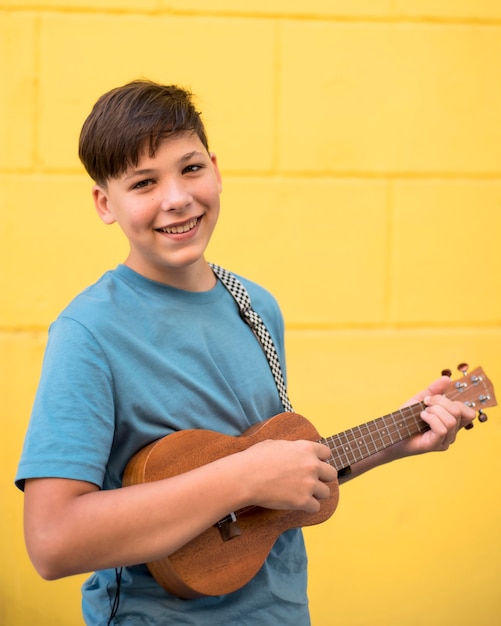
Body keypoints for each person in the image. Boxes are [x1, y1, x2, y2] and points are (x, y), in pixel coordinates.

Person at [16, 79, 476, 625]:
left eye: (190, 169)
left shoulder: (256, 307)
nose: (177, 198)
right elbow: (51, 542)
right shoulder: (90, 331)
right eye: (144, 182)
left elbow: (270, 489)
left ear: (215, 167)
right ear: (104, 203)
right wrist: (244, 477)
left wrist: (399, 439)